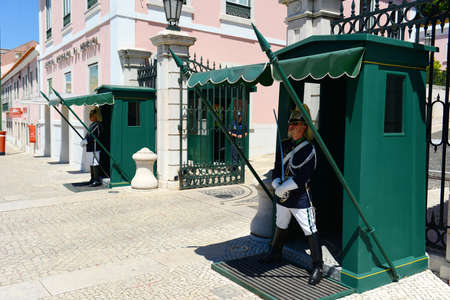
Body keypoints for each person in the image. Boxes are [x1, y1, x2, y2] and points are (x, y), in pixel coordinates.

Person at [261, 104, 323, 285]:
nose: (291, 126)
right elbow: (277, 167)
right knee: (280, 224)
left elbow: (304, 176)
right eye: (290, 123)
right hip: (283, 196)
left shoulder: (309, 149)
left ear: (304, 127)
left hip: (300, 197)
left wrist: (284, 186)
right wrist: (276, 182)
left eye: (295, 123)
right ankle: (275, 253)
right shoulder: (284, 144)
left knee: (309, 229)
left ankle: (317, 266)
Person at [80, 107, 103, 187]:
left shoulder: (97, 125)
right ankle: (92, 178)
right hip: (90, 147)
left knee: (95, 163)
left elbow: (92, 135)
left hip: (95, 147)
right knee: (91, 163)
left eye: (91, 116)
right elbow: (88, 134)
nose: (90, 117)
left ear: (95, 116)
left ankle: (96, 180)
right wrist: (85, 139)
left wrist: (86, 140)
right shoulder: (92, 125)